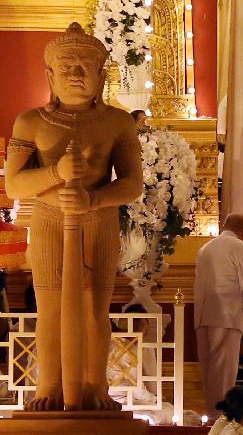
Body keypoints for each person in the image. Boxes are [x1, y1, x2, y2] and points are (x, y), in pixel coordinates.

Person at [4, 22, 143, 410]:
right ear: (49, 75)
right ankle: (47, 386)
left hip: (98, 220)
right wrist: (55, 173)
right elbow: (15, 185)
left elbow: (132, 183)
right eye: (66, 67)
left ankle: (96, 386)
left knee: (95, 308)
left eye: (85, 67)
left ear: (102, 76)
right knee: (50, 309)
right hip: (50, 221)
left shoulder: (117, 123)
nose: (76, 74)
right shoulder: (31, 122)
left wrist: (94, 201)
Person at [194, 213, 243, 418]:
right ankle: (221, 419)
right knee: (225, 373)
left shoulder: (205, 249)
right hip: (228, 315)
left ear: (224, 226)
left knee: (209, 371)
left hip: (204, 316)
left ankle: (212, 415)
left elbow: (198, 286)